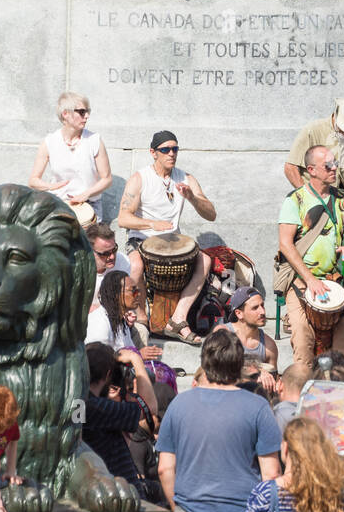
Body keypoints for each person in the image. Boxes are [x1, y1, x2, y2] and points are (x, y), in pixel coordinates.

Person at [155, 329, 282, 512]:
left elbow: (164, 469)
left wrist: (177, 509)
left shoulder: (180, 405)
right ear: (239, 365)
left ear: (204, 362)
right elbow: (271, 475)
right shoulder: (258, 407)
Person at [118, 130, 216, 344]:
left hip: (173, 242)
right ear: (153, 152)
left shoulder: (186, 178)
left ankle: (178, 318)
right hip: (141, 239)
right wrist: (152, 224)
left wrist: (192, 198)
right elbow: (123, 218)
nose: (171, 153)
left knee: (205, 260)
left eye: (175, 149)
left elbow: (211, 214)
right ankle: (142, 320)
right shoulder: (139, 178)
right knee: (134, 266)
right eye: (165, 149)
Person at [278, 144, 344, 364]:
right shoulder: (295, 201)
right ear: (312, 170)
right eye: (328, 165)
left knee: (343, 347)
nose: (334, 168)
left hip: (334, 280)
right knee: (302, 340)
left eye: (335, 163)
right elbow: (285, 244)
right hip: (300, 281)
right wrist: (310, 280)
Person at [81, 343, 161, 503]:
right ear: (108, 374)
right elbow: (150, 408)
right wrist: (137, 361)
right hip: (121, 498)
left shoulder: (80, 404)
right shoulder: (99, 408)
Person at [27, 92, 112, 221]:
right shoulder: (49, 142)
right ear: (65, 114)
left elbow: (107, 179)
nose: (87, 116)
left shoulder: (94, 140)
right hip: (59, 204)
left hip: (89, 206)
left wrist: (86, 194)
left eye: (88, 111)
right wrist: (50, 186)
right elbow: (33, 180)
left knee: (89, 239)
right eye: (81, 112)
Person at [218, 286, 279, 369]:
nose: (262, 312)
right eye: (255, 308)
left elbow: (273, 379)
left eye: (262, 305)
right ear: (239, 313)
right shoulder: (223, 335)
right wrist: (257, 371)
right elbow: (216, 372)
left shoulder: (269, 346)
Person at [86, 223, 131, 310]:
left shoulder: (123, 261)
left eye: (114, 249)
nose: (112, 257)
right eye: (105, 254)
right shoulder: (78, 272)